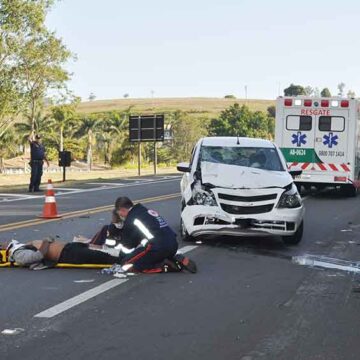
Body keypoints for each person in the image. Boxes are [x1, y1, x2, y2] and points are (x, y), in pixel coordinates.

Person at [114, 196, 197, 273]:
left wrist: (121, 257)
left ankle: (164, 266)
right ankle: (174, 258)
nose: (120, 216)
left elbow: (129, 244)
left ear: (122, 209)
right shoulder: (144, 211)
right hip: (173, 244)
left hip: (158, 247)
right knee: (148, 253)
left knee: (127, 264)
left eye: (119, 213)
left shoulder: (131, 219)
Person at [3, 239, 120, 268]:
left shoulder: (19, 246)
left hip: (70, 247)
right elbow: (36, 256)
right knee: (106, 257)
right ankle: (131, 261)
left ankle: (128, 255)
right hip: (67, 254)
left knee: (109, 250)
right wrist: (46, 242)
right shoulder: (17, 254)